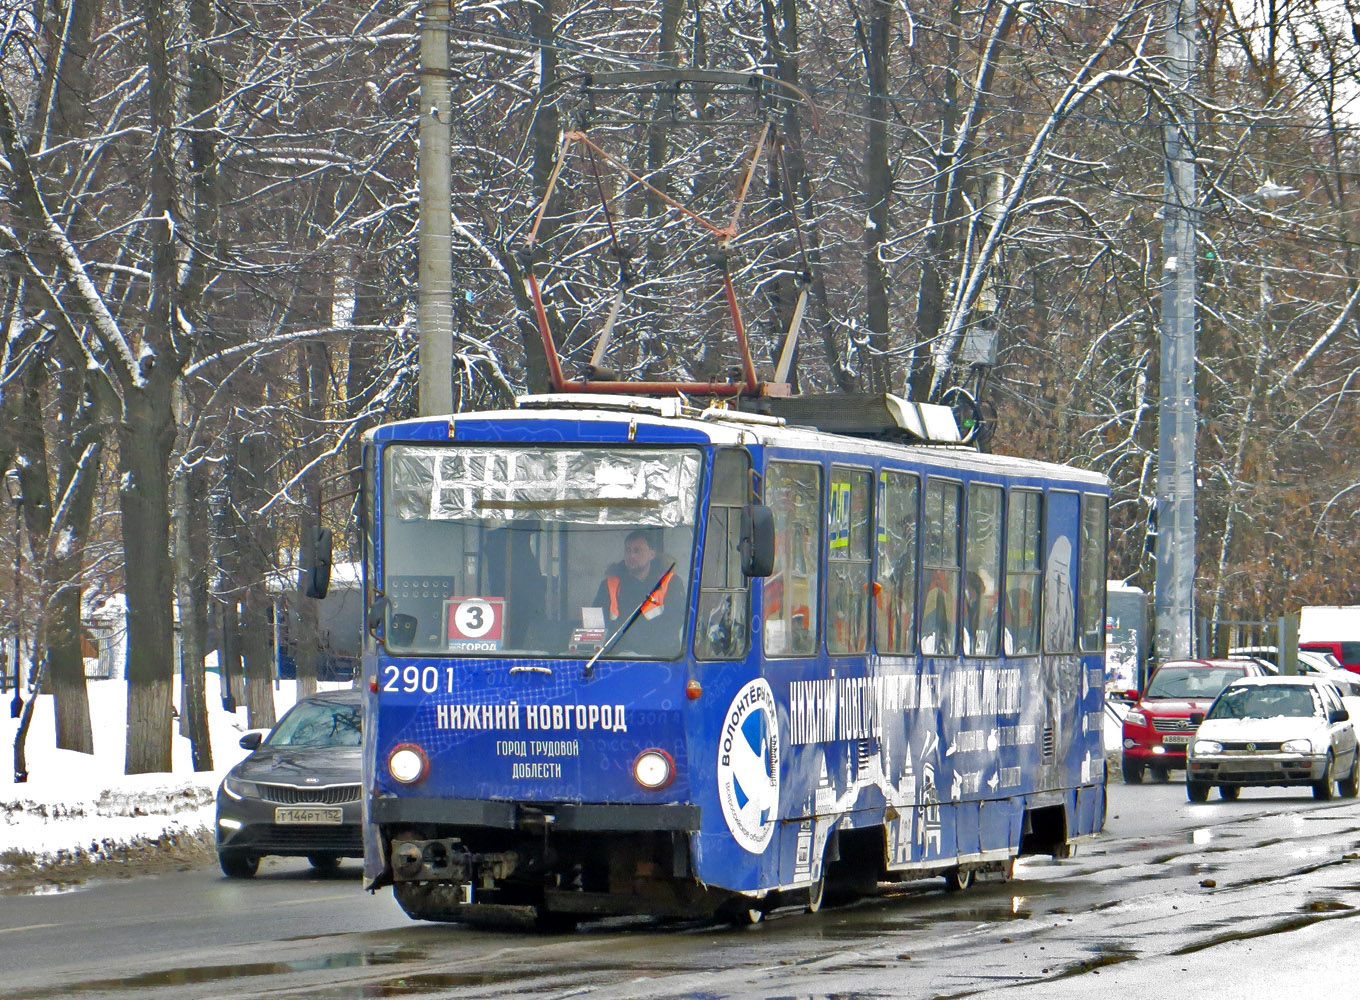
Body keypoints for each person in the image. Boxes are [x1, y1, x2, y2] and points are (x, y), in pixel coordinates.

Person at [590, 529, 685, 654]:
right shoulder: (609, 584)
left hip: (659, 659)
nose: (631, 556)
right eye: (628, 550)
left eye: (637, 550)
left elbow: (675, 623)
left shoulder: (670, 583)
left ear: (651, 554)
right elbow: (595, 625)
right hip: (617, 657)